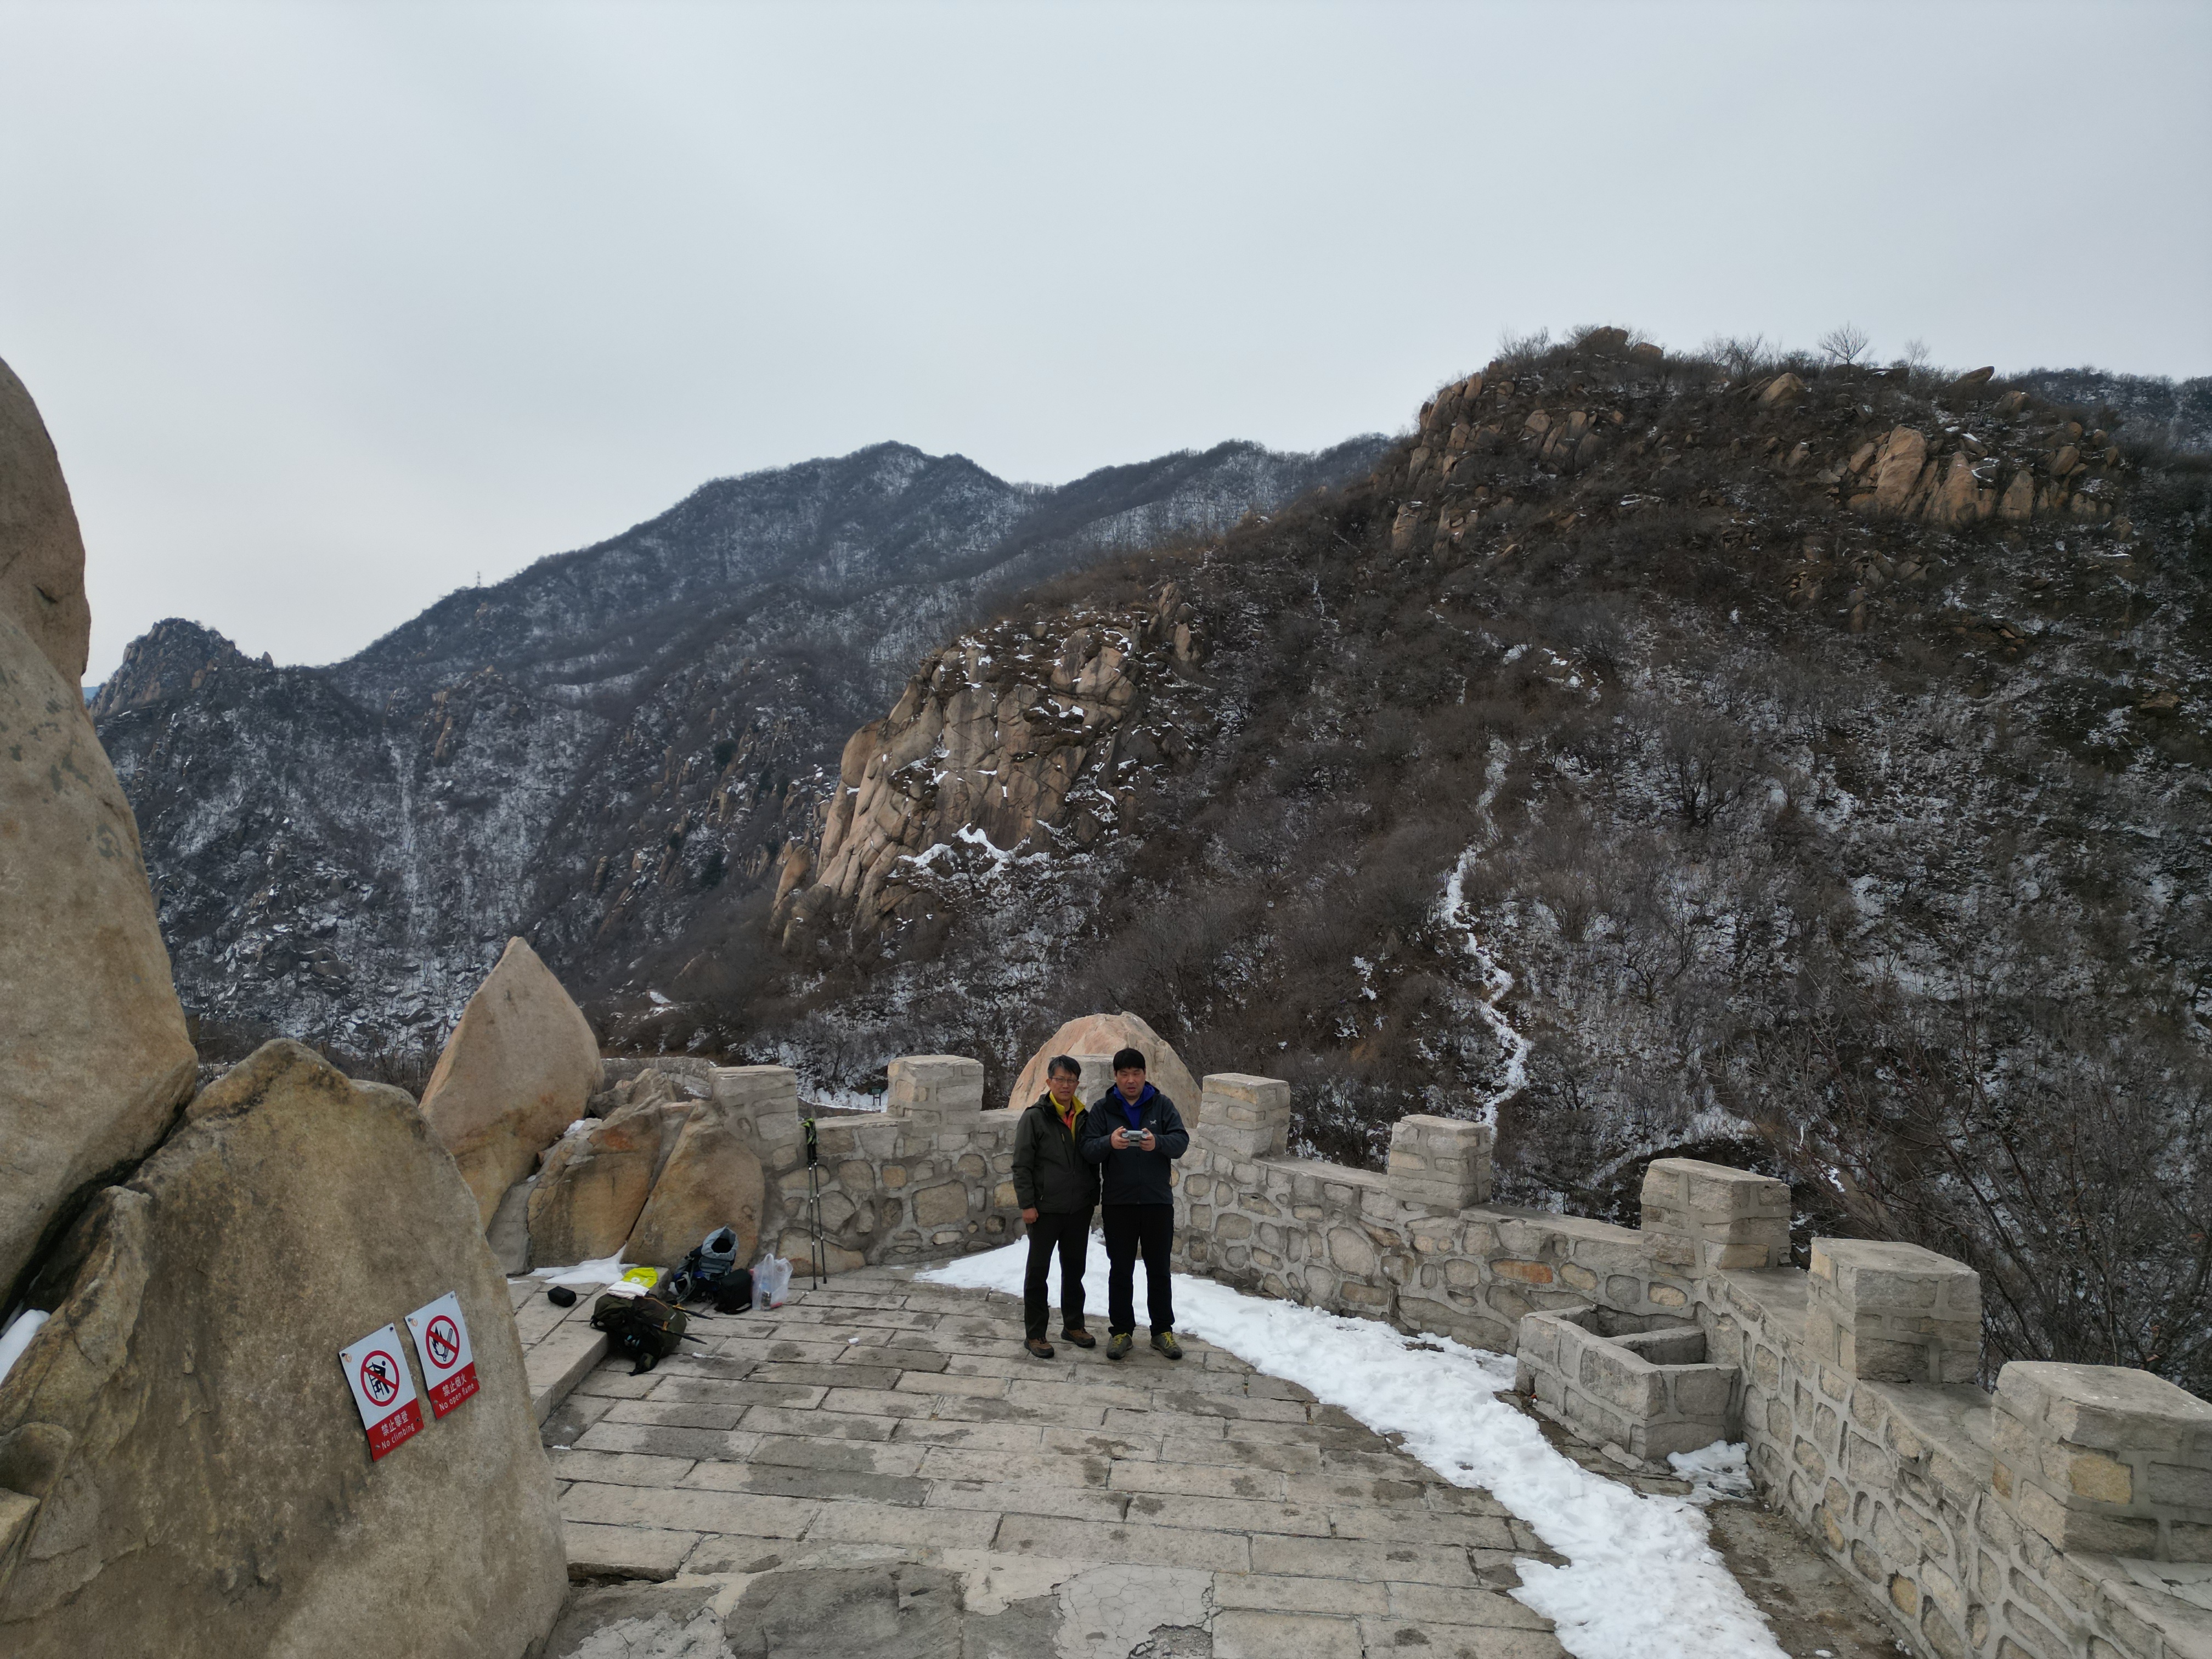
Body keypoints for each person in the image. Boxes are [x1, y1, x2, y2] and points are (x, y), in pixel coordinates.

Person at [1079, 1045, 1189, 1361]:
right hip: (1119, 1203)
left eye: (1136, 1074)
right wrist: (1109, 1142)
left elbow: (1181, 1141)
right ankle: (1121, 1332)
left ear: (1145, 1075)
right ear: (1115, 1076)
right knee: (1121, 1270)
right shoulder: (1103, 1109)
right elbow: (1088, 1149)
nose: (1131, 1080)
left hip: (1157, 1202)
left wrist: (1158, 1143)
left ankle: (1162, 1332)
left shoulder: (1161, 1105)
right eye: (1125, 1074)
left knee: (1159, 1270)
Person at [1010, 1055, 1099, 1359]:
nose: (1065, 1085)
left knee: (1075, 1271)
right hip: (1044, 1210)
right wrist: (1027, 1205)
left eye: (1071, 1080)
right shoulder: (1035, 1118)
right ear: (1049, 1082)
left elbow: (1091, 1161)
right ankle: (1035, 1334)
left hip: (1078, 1209)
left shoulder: (1084, 1116)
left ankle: (1073, 1326)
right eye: (1060, 1079)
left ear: (1078, 1083)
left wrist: (1092, 1197)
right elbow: (1022, 1165)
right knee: (1038, 1273)